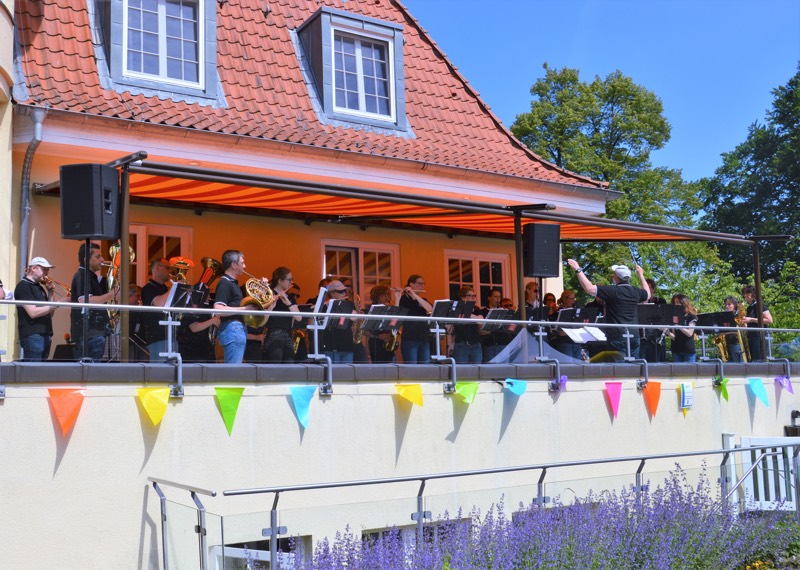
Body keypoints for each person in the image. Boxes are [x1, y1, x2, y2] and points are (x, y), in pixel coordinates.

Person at [567, 259, 649, 358]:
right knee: (633, 368)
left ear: (616, 277)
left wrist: (578, 269)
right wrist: (641, 275)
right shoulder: (635, 292)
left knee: (617, 369)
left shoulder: (612, 291)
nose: (612, 275)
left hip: (616, 336)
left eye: (613, 274)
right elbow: (647, 294)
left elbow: (589, 288)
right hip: (634, 335)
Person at [70, 243, 117, 361]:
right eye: (97, 256)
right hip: (90, 333)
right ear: (86, 259)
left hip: (94, 332)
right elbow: (85, 301)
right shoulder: (82, 276)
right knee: (91, 370)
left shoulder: (90, 276)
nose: (102, 259)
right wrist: (111, 295)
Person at [14, 257, 65, 361]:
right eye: (44, 269)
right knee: (33, 372)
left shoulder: (39, 287)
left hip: (45, 334)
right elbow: (33, 313)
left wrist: (50, 292)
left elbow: (50, 313)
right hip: (33, 334)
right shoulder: (23, 286)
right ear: (34, 268)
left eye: (48, 270)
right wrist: (58, 304)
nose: (47, 273)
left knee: (40, 371)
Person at [261, 267, 302, 363]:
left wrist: (287, 302)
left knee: (289, 366)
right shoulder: (268, 294)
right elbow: (262, 321)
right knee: (275, 365)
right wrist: (270, 306)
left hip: (288, 335)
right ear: (280, 281)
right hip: (273, 334)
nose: (291, 282)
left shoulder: (290, 297)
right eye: (289, 280)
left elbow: (299, 318)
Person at [213, 250, 248, 364]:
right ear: (233, 264)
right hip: (233, 328)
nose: (245, 266)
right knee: (233, 373)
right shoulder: (225, 283)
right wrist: (245, 309)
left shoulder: (232, 283)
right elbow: (218, 309)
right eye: (242, 263)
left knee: (233, 372)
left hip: (235, 328)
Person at [141, 259, 177, 361]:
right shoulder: (148, 288)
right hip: (157, 336)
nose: (169, 271)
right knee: (159, 372)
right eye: (167, 268)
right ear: (157, 268)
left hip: (171, 334)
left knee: (173, 372)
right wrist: (174, 288)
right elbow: (159, 304)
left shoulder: (165, 289)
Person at [398, 274, 433, 363]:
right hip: (410, 339)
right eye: (419, 283)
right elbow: (398, 314)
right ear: (411, 284)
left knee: (425, 367)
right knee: (412, 368)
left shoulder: (422, 300)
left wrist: (414, 294)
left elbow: (430, 309)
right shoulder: (404, 299)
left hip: (424, 338)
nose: (422, 286)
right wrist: (397, 297)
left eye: (423, 284)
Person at [320, 280, 357, 363]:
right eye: (341, 291)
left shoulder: (349, 304)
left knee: (347, 374)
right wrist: (329, 304)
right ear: (332, 293)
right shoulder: (324, 306)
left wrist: (341, 304)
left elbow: (354, 317)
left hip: (347, 344)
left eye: (344, 291)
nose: (344, 294)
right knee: (333, 373)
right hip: (331, 345)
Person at [447, 286, 483, 364]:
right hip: (461, 344)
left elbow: (481, 321)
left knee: (477, 370)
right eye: (470, 296)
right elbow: (449, 328)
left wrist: (467, 313)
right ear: (463, 298)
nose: (473, 298)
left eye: (474, 296)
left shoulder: (476, 309)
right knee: (462, 370)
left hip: (475, 344)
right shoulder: (456, 309)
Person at [366, 285, 399, 363]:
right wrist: (378, 336)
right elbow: (364, 330)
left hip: (388, 342)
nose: (387, 297)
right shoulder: (370, 309)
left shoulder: (389, 308)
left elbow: (396, 321)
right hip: (376, 344)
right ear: (378, 296)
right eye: (385, 295)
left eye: (388, 294)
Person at [480, 287, 514, 362]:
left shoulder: (504, 311)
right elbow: (481, 329)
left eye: (499, 297)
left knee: (505, 370)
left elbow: (509, 327)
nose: (498, 299)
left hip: (503, 343)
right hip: (489, 344)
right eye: (495, 297)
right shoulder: (483, 311)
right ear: (489, 298)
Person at [741, 285, 773, 361]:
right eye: (744, 293)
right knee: (753, 360)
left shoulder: (760, 305)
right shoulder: (749, 308)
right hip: (752, 336)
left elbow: (769, 320)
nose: (746, 295)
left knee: (759, 360)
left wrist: (751, 320)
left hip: (759, 337)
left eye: (748, 293)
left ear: (753, 293)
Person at [641, 278, 668, 363]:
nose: (646, 290)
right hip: (642, 337)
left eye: (649, 288)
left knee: (657, 362)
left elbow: (665, 318)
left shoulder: (661, 301)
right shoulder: (639, 302)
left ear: (653, 289)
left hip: (656, 337)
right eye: (644, 288)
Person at [551, 289, 582, 360]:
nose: (573, 300)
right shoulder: (559, 311)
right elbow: (557, 329)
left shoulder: (576, 310)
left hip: (576, 341)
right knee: (568, 366)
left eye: (574, 298)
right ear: (565, 300)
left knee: (578, 366)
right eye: (571, 298)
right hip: (565, 342)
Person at [666, 294, 698, 363]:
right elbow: (674, 337)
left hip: (688, 350)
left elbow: (689, 333)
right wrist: (667, 331)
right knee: (677, 373)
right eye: (674, 303)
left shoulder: (691, 316)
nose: (676, 305)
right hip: (676, 350)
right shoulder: (674, 317)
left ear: (684, 303)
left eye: (678, 302)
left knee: (689, 373)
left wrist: (679, 326)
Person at [723, 296, 745, 363]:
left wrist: (727, 332)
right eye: (726, 304)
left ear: (735, 305)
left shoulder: (739, 315)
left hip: (736, 344)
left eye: (729, 304)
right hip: (727, 343)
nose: (727, 306)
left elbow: (742, 330)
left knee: (737, 364)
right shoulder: (725, 316)